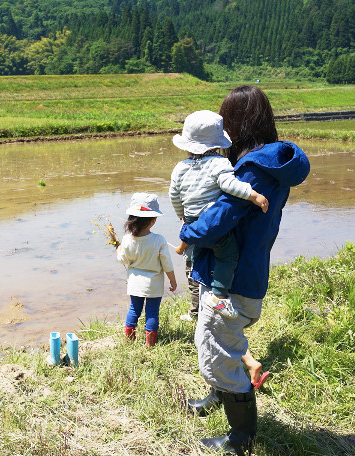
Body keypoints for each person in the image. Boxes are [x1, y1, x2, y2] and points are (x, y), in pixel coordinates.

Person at [179, 86, 310, 455]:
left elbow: (219, 218)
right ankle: (218, 395)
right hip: (233, 267)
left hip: (234, 277)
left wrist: (188, 232)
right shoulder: (264, 162)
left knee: (219, 345)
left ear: (236, 123)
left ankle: (241, 440)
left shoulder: (255, 168)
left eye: (226, 122)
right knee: (217, 338)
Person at [169, 110, 269, 320]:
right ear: (216, 145)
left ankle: (196, 302)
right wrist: (253, 195)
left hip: (192, 221)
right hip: (212, 223)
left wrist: (183, 217)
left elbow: (174, 195)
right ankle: (218, 295)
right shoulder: (219, 163)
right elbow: (229, 185)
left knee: (196, 258)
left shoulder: (179, 168)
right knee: (228, 255)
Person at [115, 193, 177, 348]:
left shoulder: (128, 238)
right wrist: (173, 280)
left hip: (135, 283)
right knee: (152, 313)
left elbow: (123, 259)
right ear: (153, 220)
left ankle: (129, 339)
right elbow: (167, 264)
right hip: (153, 285)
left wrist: (117, 249)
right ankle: (150, 343)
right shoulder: (159, 240)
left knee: (134, 310)